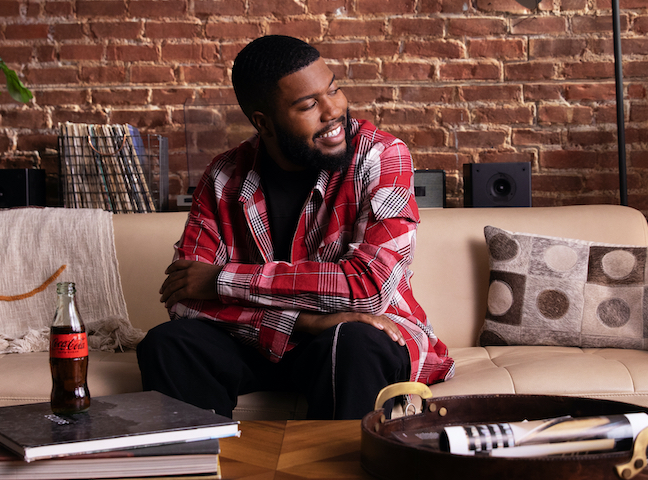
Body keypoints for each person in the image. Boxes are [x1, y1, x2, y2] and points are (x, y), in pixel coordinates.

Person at [137, 35, 454, 420]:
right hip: (257, 343)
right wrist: (306, 322)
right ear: (263, 123)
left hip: (356, 338)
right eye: (308, 105)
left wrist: (222, 280)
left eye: (334, 89)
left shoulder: (382, 156)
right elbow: (183, 297)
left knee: (353, 343)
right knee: (168, 343)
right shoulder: (223, 175)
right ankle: (201, 468)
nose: (334, 110)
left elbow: (366, 289)